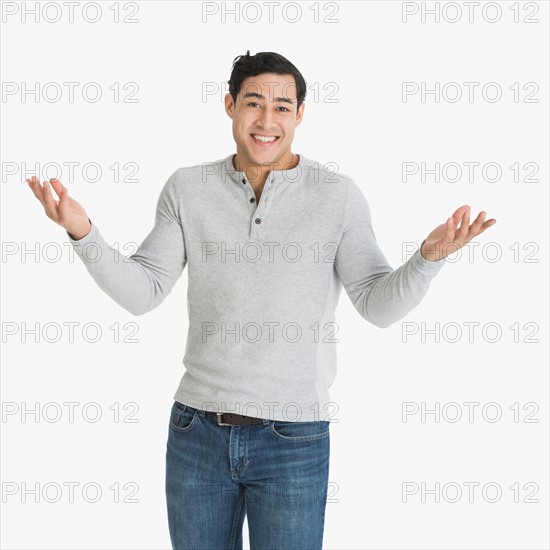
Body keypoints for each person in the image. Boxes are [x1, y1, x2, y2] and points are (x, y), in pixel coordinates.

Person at [26, 50, 496, 550]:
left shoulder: (337, 195)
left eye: (282, 107)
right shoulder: (187, 187)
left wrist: (427, 258)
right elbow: (144, 292)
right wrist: (83, 233)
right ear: (230, 105)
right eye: (253, 103)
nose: (266, 121)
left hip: (293, 437)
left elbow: (376, 305)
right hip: (196, 431)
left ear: (300, 114)